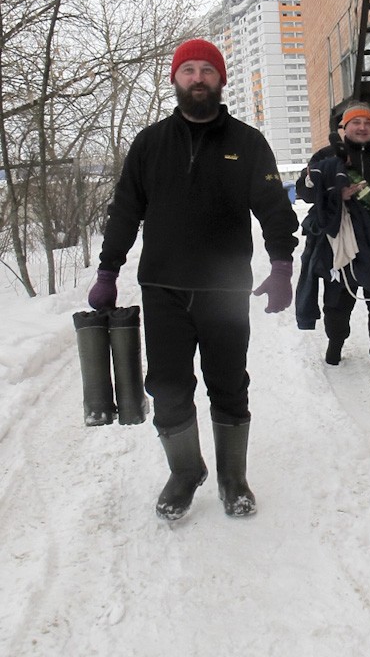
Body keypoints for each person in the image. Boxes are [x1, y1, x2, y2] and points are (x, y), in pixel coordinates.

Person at [88, 38, 298, 520]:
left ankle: (232, 477)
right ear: (175, 80)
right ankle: (185, 471)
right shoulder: (149, 144)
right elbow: (124, 212)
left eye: (207, 70)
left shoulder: (246, 142)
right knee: (167, 386)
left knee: (228, 384)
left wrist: (282, 265)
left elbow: (274, 210)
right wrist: (107, 269)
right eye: (189, 71)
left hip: (224, 290)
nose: (198, 78)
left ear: (221, 80)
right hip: (163, 287)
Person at [295, 100, 370, 377]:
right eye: (356, 123)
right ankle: (335, 344)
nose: (362, 127)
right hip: (339, 242)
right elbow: (306, 191)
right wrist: (335, 193)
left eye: (368, 123)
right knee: (337, 300)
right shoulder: (324, 156)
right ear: (344, 127)